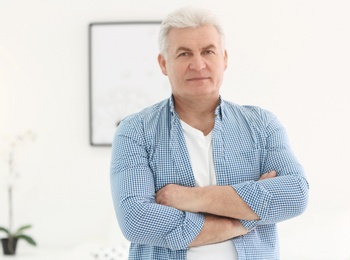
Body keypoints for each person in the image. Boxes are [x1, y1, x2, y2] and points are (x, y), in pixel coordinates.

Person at [110, 6, 309, 260]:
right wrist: (240, 221)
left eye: (208, 51)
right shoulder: (135, 131)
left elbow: (296, 194)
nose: (198, 64)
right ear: (163, 63)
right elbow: (137, 220)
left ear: (224, 59)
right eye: (184, 54)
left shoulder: (263, 125)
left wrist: (190, 198)